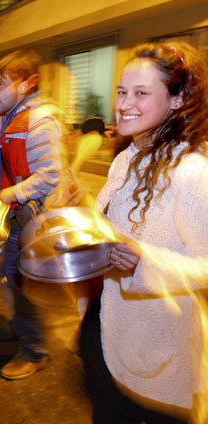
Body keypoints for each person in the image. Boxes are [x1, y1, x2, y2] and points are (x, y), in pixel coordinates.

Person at [84, 42, 208, 423]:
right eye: (122, 92)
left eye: (141, 93)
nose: (123, 104)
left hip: (157, 349)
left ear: (177, 99)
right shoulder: (126, 157)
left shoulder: (191, 173)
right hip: (106, 328)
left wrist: (144, 261)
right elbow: (117, 228)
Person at [0, 49, 63, 380]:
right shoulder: (7, 118)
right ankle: (19, 327)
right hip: (11, 219)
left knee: (21, 286)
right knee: (8, 278)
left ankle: (34, 351)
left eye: (2, 83)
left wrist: (6, 195)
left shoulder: (39, 121)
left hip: (28, 223)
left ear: (28, 84)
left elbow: (49, 176)